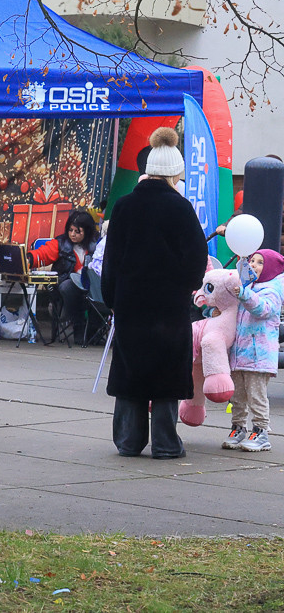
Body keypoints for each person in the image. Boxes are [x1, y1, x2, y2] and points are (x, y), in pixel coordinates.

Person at [101, 127, 208, 459]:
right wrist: (186, 286)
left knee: (131, 369)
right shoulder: (181, 208)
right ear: (174, 172)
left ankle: (128, 441)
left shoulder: (124, 206)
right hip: (168, 306)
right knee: (166, 372)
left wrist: (112, 298)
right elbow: (197, 256)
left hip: (130, 302)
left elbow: (111, 259)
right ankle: (165, 443)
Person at [223, 249, 284, 452]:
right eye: (252, 261)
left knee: (256, 396)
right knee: (237, 396)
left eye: (260, 263)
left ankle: (261, 431)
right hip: (239, 354)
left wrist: (244, 293)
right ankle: (238, 427)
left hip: (259, 356)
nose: (254, 266)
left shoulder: (272, 291)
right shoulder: (246, 286)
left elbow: (262, 309)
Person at [29, 209, 99, 346]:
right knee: (67, 286)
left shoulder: (97, 245)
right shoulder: (61, 243)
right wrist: (28, 259)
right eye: (70, 230)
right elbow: (43, 254)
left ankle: (93, 330)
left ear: (87, 232)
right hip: (68, 288)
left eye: (77, 231)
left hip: (92, 287)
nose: (72, 234)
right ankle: (78, 325)